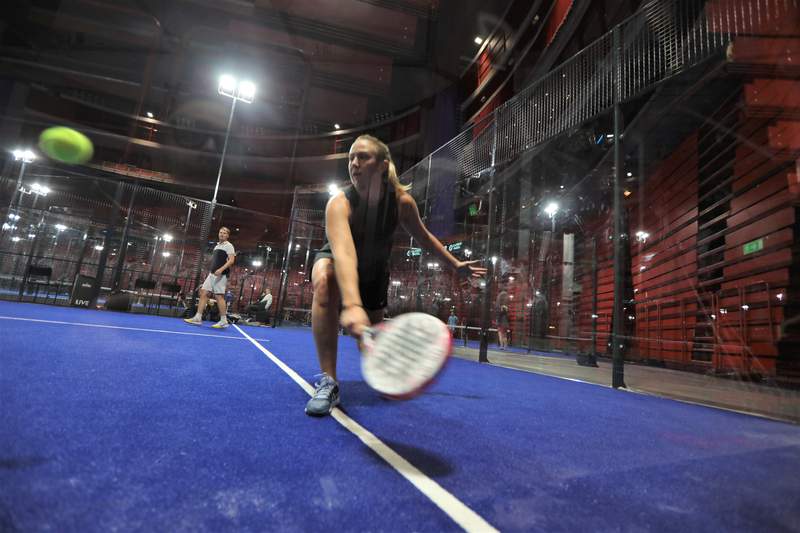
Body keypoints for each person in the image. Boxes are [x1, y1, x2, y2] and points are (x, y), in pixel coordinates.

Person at [305, 134, 486, 416]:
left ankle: (383, 373)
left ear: (382, 164)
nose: (354, 163)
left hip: (376, 273)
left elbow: (424, 238)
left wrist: (454, 264)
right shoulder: (339, 203)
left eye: (362, 157)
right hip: (336, 260)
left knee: (374, 356)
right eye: (351, 158)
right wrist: (352, 305)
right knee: (325, 279)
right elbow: (344, 254)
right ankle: (329, 381)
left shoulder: (402, 202)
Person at [184, 226, 236, 328]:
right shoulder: (216, 246)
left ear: (227, 235)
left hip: (221, 275)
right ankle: (198, 318)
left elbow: (231, 260)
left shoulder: (229, 246)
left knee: (219, 296)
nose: (222, 234)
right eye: (221, 232)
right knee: (204, 292)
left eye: (224, 233)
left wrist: (221, 270)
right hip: (211, 274)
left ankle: (224, 321)